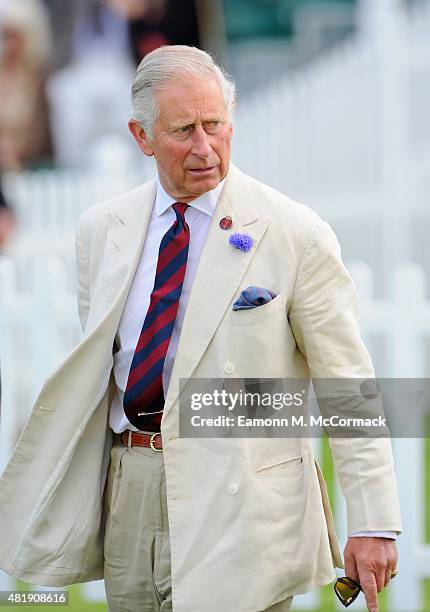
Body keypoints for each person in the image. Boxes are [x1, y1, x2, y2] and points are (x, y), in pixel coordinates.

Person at [0, 46, 401, 612]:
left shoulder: (294, 232)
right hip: (131, 489)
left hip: (242, 501)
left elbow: (348, 383)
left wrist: (375, 521)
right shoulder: (101, 231)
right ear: (142, 137)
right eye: (184, 130)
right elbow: (104, 374)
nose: (205, 147)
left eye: (214, 125)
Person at [0, 0, 53, 170]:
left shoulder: (41, 81)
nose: (8, 45)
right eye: (4, 36)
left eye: (12, 36)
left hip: (29, 169)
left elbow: (41, 136)